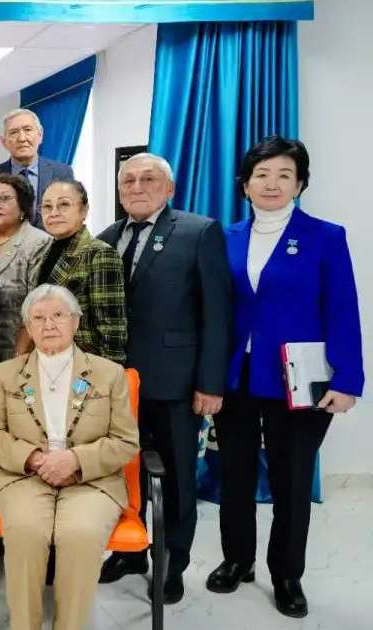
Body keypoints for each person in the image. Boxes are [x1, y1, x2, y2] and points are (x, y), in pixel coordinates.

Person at [208, 137, 363, 618]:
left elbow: (342, 309)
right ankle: (237, 560)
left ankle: (287, 573)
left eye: (283, 175)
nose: (271, 184)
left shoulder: (325, 236)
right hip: (236, 375)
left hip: (300, 376)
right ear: (245, 183)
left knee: (292, 479)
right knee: (233, 473)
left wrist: (348, 380)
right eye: (262, 175)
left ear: (299, 183)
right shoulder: (224, 236)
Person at [95, 153, 231, 602]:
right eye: (127, 180)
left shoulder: (199, 231)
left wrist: (210, 385)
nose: (136, 187)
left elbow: (217, 314)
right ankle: (130, 552)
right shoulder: (107, 236)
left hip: (175, 385)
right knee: (123, 473)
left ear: (169, 188)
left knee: (175, 479)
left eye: (147, 179)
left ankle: (171, 563)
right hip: (118, 388)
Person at [0, 283, 140, 630]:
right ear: (28, 326)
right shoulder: (4, 375)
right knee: (24, 530)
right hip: (24, 476)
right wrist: (35, 458)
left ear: (76, 322)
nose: (49, 325)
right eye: (38, 318)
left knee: (80, 533)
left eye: (58, 316)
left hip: (92, 480)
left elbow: (126, 442)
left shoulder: (109, 374)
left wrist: (76, 460)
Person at [35, 179, 127, 363]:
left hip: (85, 365)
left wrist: (107, 378)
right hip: (49, 361)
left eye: (64, 205)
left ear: (83, 211)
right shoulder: (43, 251)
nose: (53, 213)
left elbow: (112, 329)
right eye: (47, 206)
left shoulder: (99, 253)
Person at [0, 173, 53, 360]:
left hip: (18, 350)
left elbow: (37, 308)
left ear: (23, 205)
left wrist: (19, 355)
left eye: (5, 199)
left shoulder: (39, 242)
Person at [0, 109, 74, 227]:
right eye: (13, 132)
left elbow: (69, 215)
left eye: (27, 130)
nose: (22, 138)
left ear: (40, 135)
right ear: (3, 142)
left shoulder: (62, 172)